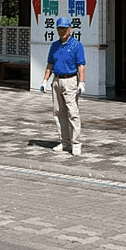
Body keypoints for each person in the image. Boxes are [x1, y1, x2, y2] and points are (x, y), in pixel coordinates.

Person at [41, 16, 85, 155]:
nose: (62, 31)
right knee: (59, 112)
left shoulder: (76, 45)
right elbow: (50, 64)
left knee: (73, 112)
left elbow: (81, 65)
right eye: (60, 28)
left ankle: (76, 143)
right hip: (57, 80)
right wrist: (44, 80)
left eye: (65, 29)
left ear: (70, 29)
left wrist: (81, 82)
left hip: (70, 81)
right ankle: (64, 142)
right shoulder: (54, 45)